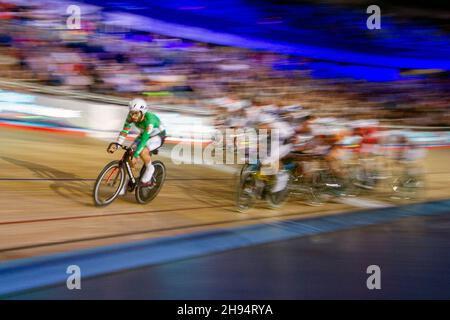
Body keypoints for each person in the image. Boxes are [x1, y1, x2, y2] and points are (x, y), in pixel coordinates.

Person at [108, 98, 166, 193]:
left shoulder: (149, 120)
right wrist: (117, 145)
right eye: (132, 113)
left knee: (142, 151)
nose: (133, 116)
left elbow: (144, 140)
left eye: (136, 113)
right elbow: (124, 131)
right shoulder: (130, 116)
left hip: (158, 135)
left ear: (142, 113)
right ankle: (125, 183)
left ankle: (150, 168)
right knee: (129, 156)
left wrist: (136, 155)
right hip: (144, 134)